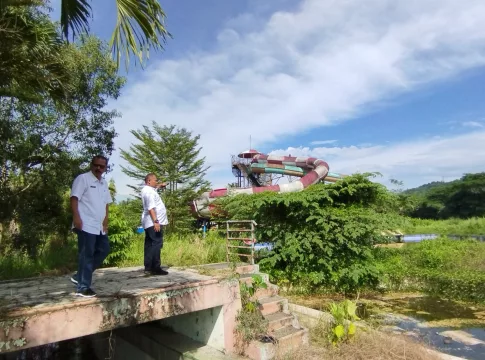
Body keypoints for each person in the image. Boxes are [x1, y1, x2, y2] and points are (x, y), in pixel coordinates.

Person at [69, 155, 113, 297]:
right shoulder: (83, 179)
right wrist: (76, 218)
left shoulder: (104, 183)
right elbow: (74, 198)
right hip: (85, 223)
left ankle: (79, 276)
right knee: (86, 254)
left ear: (105, 168)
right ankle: (83, 287)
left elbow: (106, 204)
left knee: (104, 250)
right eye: (96, 165)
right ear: (91, 165)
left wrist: (105, 221)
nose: (98, 168)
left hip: (99, 226)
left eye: (102, 166)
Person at [141, 173, 169, 275]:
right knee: (157, 243)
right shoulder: (149, 193)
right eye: (155, 180)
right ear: (149, 181)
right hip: (153, 222)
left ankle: (148, 268)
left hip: (150, 222)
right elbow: (151, 208)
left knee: (149, 244)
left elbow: (155, 188)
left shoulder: (149, 190)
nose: (156, 182)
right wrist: (156, 222)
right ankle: (155, 267)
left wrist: (160, 185)